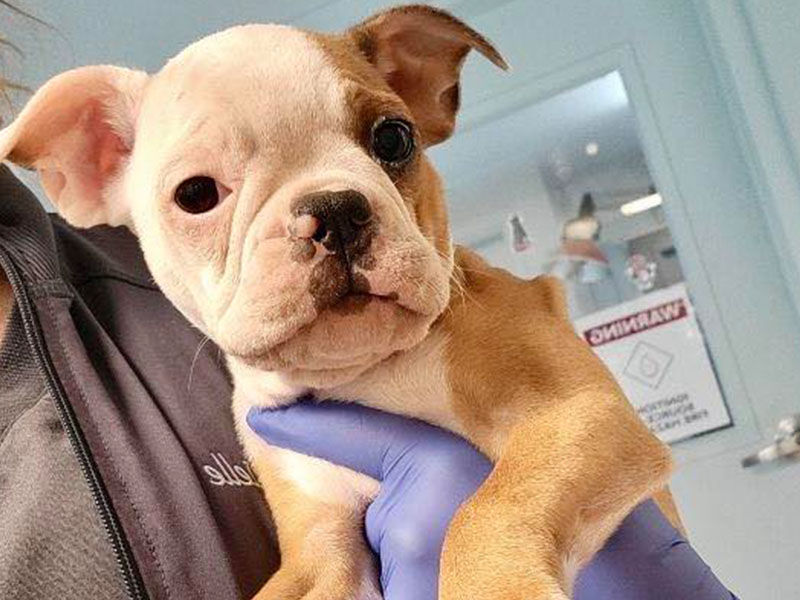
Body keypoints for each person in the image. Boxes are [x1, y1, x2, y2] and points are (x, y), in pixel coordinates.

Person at [0, 7, 737, 600]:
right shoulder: (263, 401)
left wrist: (502, 549)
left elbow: (598, 428)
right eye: (201, 194)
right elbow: (323, 572)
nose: (330, 226)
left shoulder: (479, 315)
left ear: (422, 93)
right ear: (97, 166)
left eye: (386, 141)